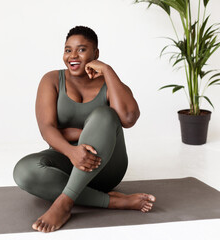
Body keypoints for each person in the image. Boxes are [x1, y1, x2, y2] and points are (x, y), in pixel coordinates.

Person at [13, 26, 156, 233]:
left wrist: (107, 71)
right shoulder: (52, 80)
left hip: (106, 167)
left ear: (96, 54)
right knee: (24, 171)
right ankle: (114, 201)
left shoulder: (109, 83)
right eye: (68, 50)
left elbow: (128, 118)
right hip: (69, 159)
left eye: (81, 50)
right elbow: (47, 129)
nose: (73, 56)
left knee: (104, 115)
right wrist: (73, 151)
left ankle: (65, 202)